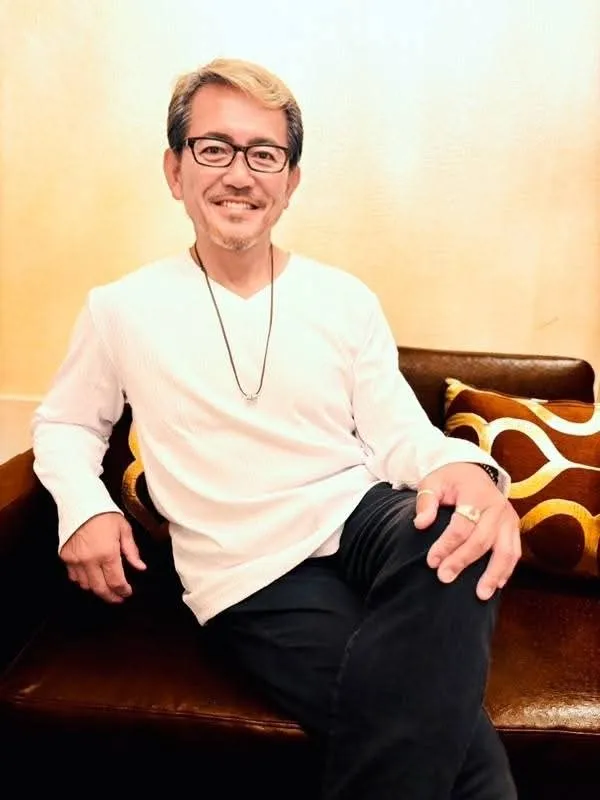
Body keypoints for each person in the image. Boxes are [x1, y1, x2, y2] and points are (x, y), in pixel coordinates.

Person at [31, 57, 521, 799]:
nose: (240, 174)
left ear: (290, 181)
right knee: (467, 762)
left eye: (264, 154)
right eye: (214, 148)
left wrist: (467, 472)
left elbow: (396, 429)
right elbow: (66, 422)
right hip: (248, 565)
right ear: (174, 169)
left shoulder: (344, 298)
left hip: (358, 516)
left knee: (460, 522)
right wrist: (84, 507)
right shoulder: (120, 308)